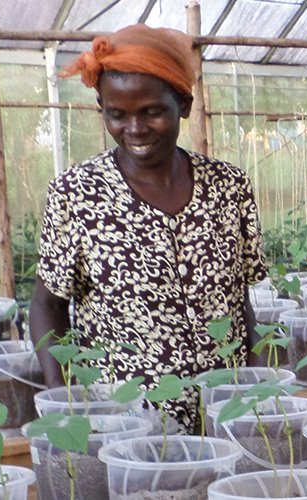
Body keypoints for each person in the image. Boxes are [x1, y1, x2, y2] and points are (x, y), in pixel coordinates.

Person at [30, 24, 265, 433]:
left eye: (151, 112)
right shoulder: (77, 193)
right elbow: (47, 305)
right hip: (129, 426)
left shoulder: (229, 186)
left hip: (223, 413)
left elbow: (238, 300)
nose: (134, 129)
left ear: (184, 105)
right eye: (117, 115)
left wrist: (256, 387)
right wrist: (63, 398)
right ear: (102, 108)